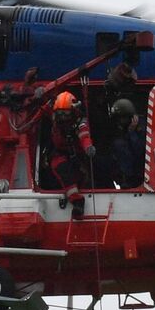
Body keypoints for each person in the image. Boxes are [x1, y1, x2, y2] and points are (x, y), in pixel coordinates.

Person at [47, 90, 95, 218]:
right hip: (59, 154)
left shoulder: (80, 122)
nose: (62, 117)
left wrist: (88, 147)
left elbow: (84, 136)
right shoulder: (53, 117)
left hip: (77, 156)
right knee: (62, 169)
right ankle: (77, 201)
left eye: (66, 113)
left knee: (82, 176)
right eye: (60, 113)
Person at [107, 98, 147, 188]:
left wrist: (131, 132)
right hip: (123, 172)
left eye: (122, 118)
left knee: (119, 144)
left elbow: (139, 150)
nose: (120, 121)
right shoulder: (121, 127)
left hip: (139, 170)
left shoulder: (141, 127)